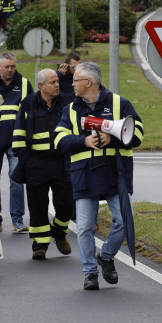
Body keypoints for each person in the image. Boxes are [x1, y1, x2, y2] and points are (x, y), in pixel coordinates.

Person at [55, 62, 143, 290]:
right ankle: (90, 273)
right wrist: (83, 141)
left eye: (75, 80)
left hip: (116, 172)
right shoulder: (71, 109)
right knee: (84, 227)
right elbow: (58, 141)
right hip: (84, 174)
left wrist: (111, 139)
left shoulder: (119, 103)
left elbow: (138, 133)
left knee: (125, 219)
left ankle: (105, 256)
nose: (71, 84)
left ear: (89, 83)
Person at [12, 69, 72, 260]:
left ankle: (60, 232)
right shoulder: (29, 104)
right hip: (35, 163)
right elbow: (20, 132)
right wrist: (23, 159)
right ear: (41, 85)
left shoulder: (67, 102)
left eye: (57, 81)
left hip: (62, 162)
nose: (57, 85)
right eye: (52, 82)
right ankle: (39, 244)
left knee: (66, 203)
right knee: (37, 204)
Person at [0, 52, 33, 233]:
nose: (10, 70)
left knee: (17, 179)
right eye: (7, 67)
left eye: (13, 66)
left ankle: (17, 220)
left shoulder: (25, 84)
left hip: (16, 141)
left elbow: (30, 112)